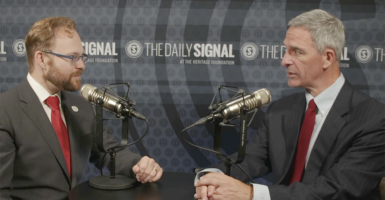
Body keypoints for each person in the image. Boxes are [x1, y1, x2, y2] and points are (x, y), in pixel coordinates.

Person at [194, 9, 385, 200]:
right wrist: (210, 178)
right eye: (286, 50)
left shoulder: (373, 119)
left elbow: (337, 190)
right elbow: (251, 160)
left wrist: (251, 194)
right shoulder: (280, 110)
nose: (284, 60)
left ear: (327, 57)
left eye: (297, 52)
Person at [0, 16, 163, 200]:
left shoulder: (81, 107)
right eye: (72, 58)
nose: (82, 65)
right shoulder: (5, 111)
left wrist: (139, 165)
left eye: (82, 57)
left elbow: (108, 153)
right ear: (42, 59)